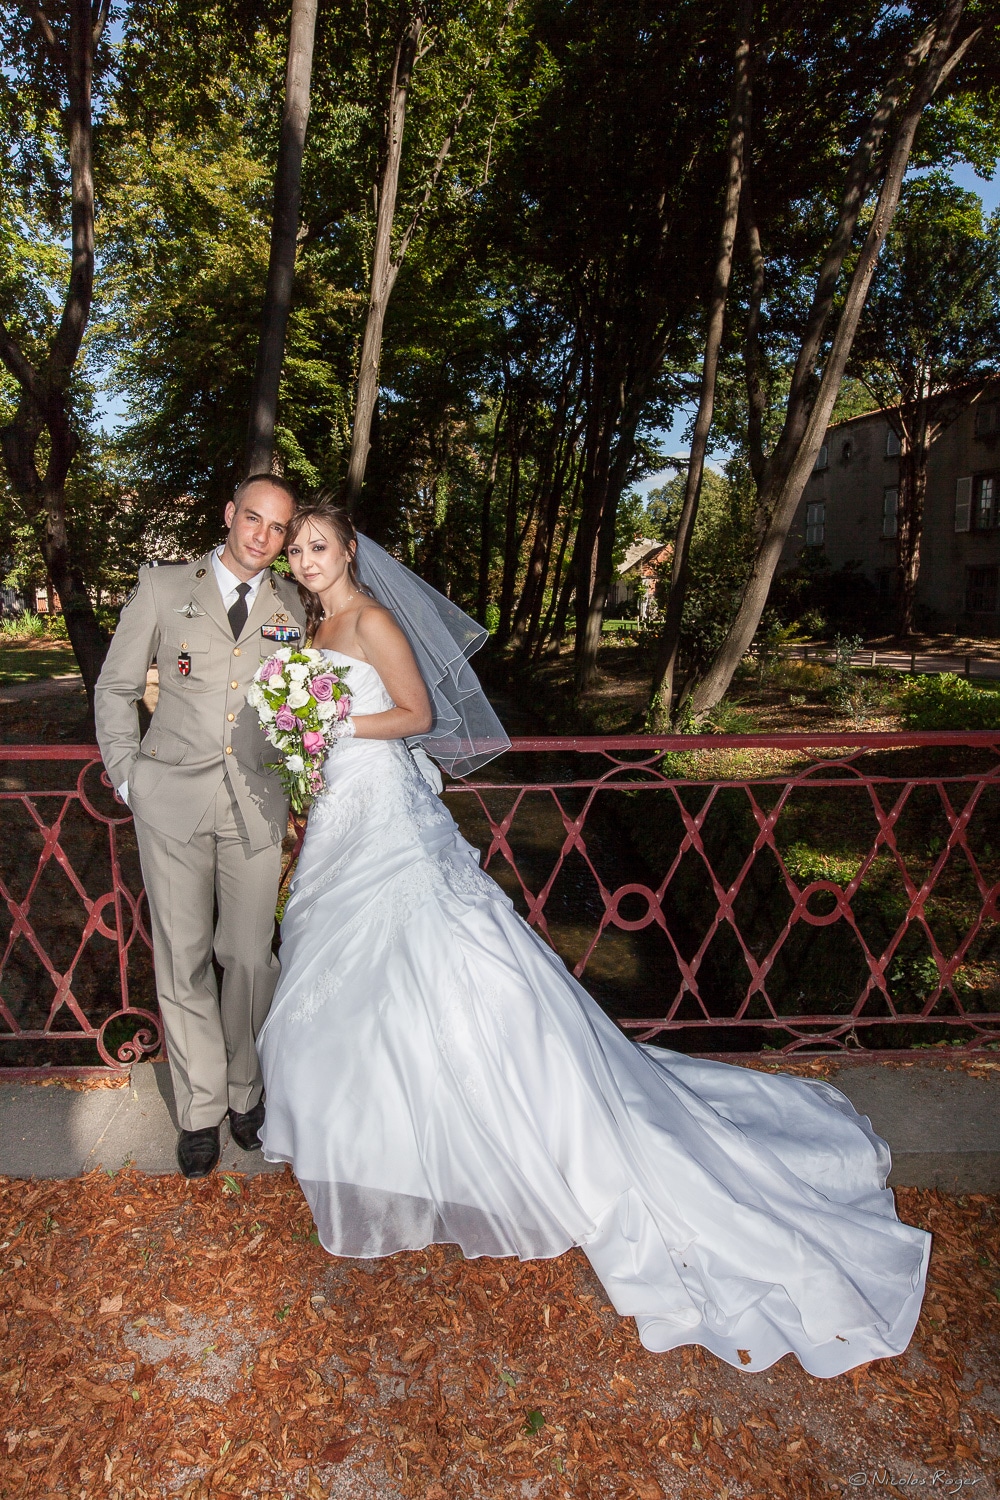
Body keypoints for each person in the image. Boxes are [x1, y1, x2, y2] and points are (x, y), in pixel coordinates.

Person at [257, 500, 930, 1378]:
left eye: (319, 545)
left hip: (385, 815)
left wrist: (330, 721)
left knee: (445, 968)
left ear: (349, 549)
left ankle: (488, 1133)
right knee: (353, 984)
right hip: (344, 816)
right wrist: (305, 737)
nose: (307, 559)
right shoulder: (314, 624)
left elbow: (419, 715)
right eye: (298, 549)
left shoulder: (373, 618)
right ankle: (385, 1144)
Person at [95, 475, 307, 1179]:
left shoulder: (293, 606)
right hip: (171, 802)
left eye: (277, 529)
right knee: (182, 960)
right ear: (229, 515)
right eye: (253, 519)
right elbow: (116, 687)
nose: (262, 537)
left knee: (250, 957)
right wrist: (128, 776)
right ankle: (200, 1108)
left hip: (254, 802)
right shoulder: (162, 587)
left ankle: (247, 1090)